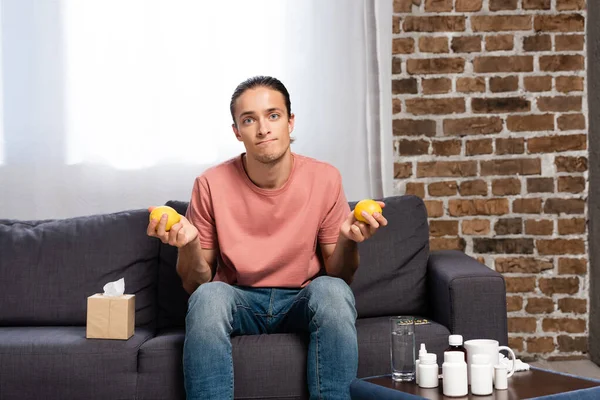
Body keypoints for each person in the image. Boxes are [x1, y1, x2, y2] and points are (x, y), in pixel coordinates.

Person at [147, 76, 387, 399]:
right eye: (249, 120)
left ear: (290, 122)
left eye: (273, 115)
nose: (263, 129)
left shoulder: (325, 178)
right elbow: (196, 285)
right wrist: (189, 245)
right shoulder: (209, 184)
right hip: (239, 298)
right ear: (236, 131)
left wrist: (348, 241)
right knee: (207, 299)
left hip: (301, 299)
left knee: (333, 292)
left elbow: (340, 276)